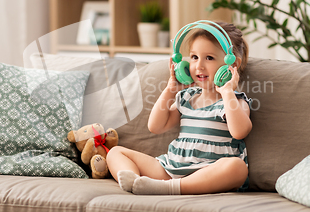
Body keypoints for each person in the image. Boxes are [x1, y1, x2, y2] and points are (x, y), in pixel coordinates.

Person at [106, 20, 252, 195]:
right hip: (172, 168)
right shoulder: (186, 98)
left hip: (208, 173)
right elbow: (155, 126)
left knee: (237, 167)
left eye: (209, 58)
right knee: (115, 152)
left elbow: (239, 132)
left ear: (232, 65)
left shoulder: (234, 101)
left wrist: (227, 92)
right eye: (194, 57)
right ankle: (136, 182)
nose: (199, 66)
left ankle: (168, 188)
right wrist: (170, 90)